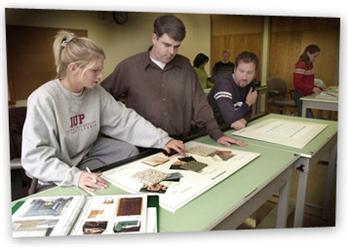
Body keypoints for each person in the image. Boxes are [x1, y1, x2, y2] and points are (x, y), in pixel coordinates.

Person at [21, 30, 185, 193]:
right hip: (58, 166)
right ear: (73, 68)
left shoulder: (96, 92)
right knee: (82, 186)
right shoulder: (44, 98)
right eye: (95, 70)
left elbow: (125, 120)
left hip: (86, 155)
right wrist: (76, 177)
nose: (100, 76)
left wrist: (163, 140)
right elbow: (35, 158)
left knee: (128, 151)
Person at [101, 14, 245, 147]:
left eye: (176, 47)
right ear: (154, 38)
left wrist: (217, 133)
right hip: (142, 146)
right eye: (167, 45)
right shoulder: (129, 67)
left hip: (181, 142)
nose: (172, 52)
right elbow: (101, 98)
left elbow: (199, 103)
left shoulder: (185, 66)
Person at [208, 51, 258, 130]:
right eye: (241, 71)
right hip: (212, 130)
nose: (244, 77)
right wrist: (247, 103)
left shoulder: (250, 85)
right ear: (234, 69)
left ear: (255, 73)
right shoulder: (224, 84)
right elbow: (230, 118)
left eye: (250, 73)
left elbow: (248, 112)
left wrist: (243, 120)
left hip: (231, 129)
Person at [293, 44, 322, 117]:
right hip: (300, 94)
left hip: (306, 94)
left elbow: (308, 82)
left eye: (316, 56)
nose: (315, 59)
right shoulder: (301, 64)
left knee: (308, 116)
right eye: (314, 56)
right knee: (308, 117)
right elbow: (297, 83)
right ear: (308, 53)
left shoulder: (310, 64)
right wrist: (312, 88)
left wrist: (317, 88)